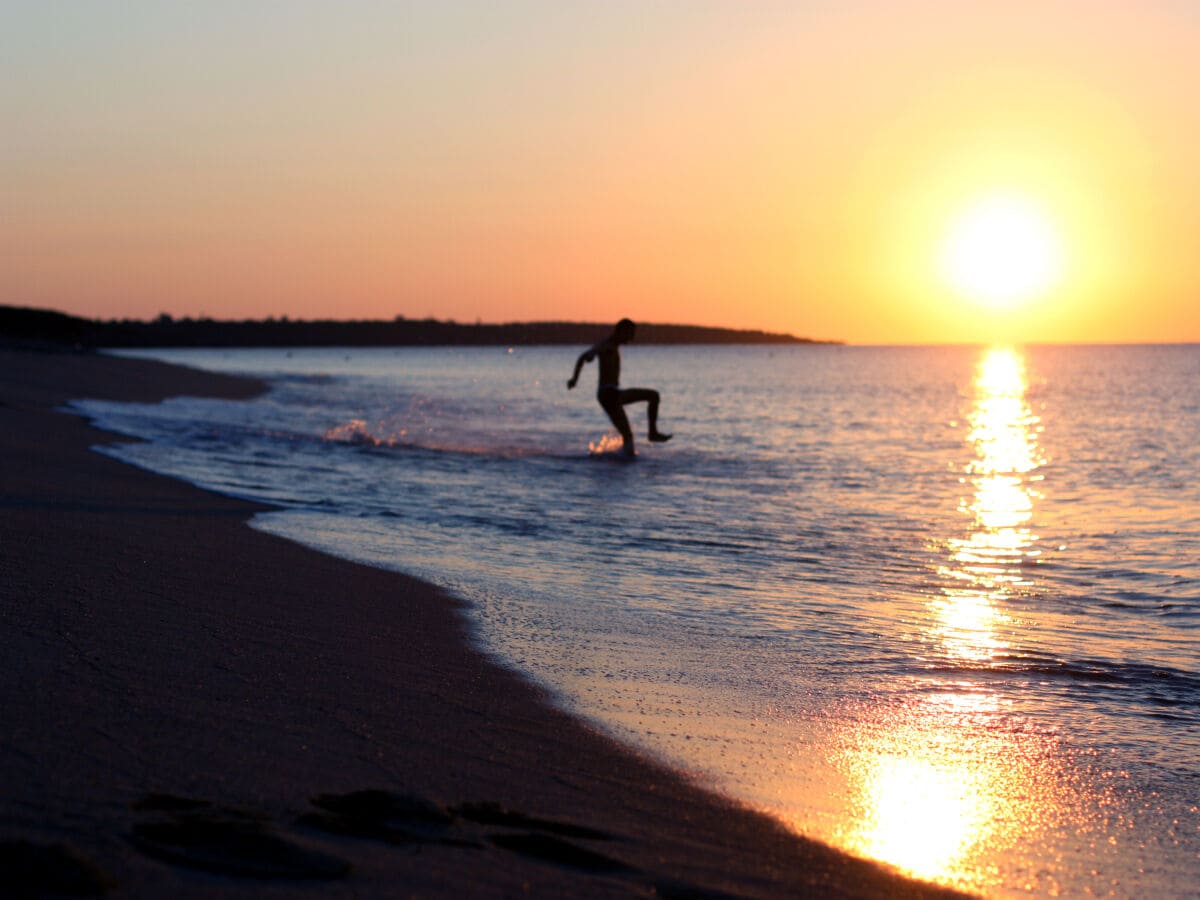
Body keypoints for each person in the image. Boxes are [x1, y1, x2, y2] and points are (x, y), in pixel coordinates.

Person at [567, 318, 672, 457]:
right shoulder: (606, 345)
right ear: (622, 331)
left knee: (627, 435)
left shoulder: (612, 346)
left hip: (609, 394)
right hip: (609, 393)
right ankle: (652, 433)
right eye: (630, 334)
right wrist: (575, 379)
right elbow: (583, 357)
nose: (632, 338)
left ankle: (624, 462)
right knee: (653, 395)